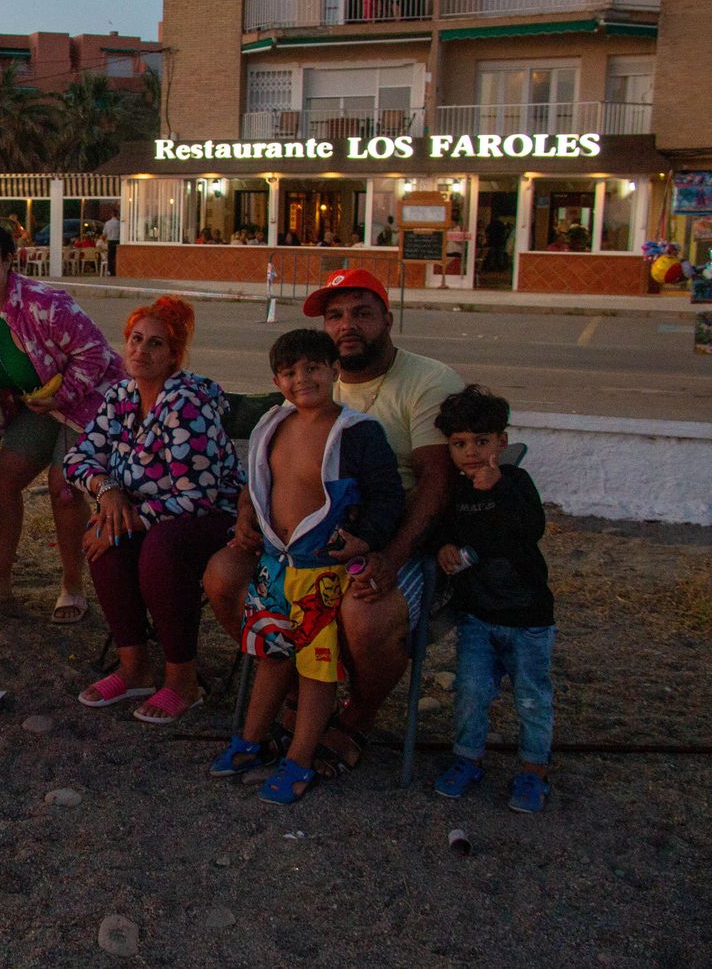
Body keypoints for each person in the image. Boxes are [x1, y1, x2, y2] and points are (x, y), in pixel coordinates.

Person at [204, 267, 464, 778]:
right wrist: (248, 512)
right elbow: (270, 463)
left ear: (387, 319)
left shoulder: (428, 381)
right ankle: (297, 697)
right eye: (335, 316)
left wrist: (388, 557)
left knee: (365, 612)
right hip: (300, 545)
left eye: (361, 313)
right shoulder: (311, 384)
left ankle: (355, 717)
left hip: (392, 537)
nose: (348, 325)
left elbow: (436, 485)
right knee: (223, 575)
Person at [211, 328, 403, 803]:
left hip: (322, 571)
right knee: (272, 655)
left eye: (313, 368)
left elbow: (387, 495)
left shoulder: (357, 433)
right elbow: (258, 483)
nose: (302, 379)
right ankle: (252, 740)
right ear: (276, 381)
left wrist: (366, 539)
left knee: (317, 669)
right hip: (276, 565)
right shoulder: (275, 425)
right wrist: (247, 517)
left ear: (334, 370)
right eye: (289, 372)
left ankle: (299, 758)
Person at [66, 296, 242, 723]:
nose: (141, 350)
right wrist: (107, 491)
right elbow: (77, 458)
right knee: (107, 542)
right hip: (147, 513)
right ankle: (135, 670)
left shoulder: (187, 404)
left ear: (173, 356)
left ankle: (183, 681)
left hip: (211, 516)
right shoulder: (121, 395)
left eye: (155, 343)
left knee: (158, 547)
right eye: (136, 339)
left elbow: (197, 496)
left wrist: (129, 518)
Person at [0, 210, 125, 623]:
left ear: (9, 260)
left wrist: (62, 394)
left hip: (91, 402)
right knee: (3, 476)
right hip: (41, 406)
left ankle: (72, 585)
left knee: (64, 486)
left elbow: (95, 353)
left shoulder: (45, 303)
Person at [429, 386, 556, 813]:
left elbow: (531, 528)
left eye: (481, 441)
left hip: (528, 618)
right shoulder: (455, 493)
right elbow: (443, 531)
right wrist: (444, 547)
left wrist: (499, 488)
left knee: (532, 697)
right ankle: (467, 759)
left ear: (501, 442)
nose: (470, 452)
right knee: (471, 690)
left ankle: (534, 770)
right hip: (478, 617)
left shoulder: (516, 482)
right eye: (459, 443)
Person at [101, 208, 120, 276]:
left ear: (111, 215)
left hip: (110, 242)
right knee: (117, 257)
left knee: (110, 257)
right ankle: (117, 270)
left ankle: (110, 271)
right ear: (117, 215)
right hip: (118, 241)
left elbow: (104, 234)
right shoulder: (119, 223)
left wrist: (103, 240)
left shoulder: (107, 223)